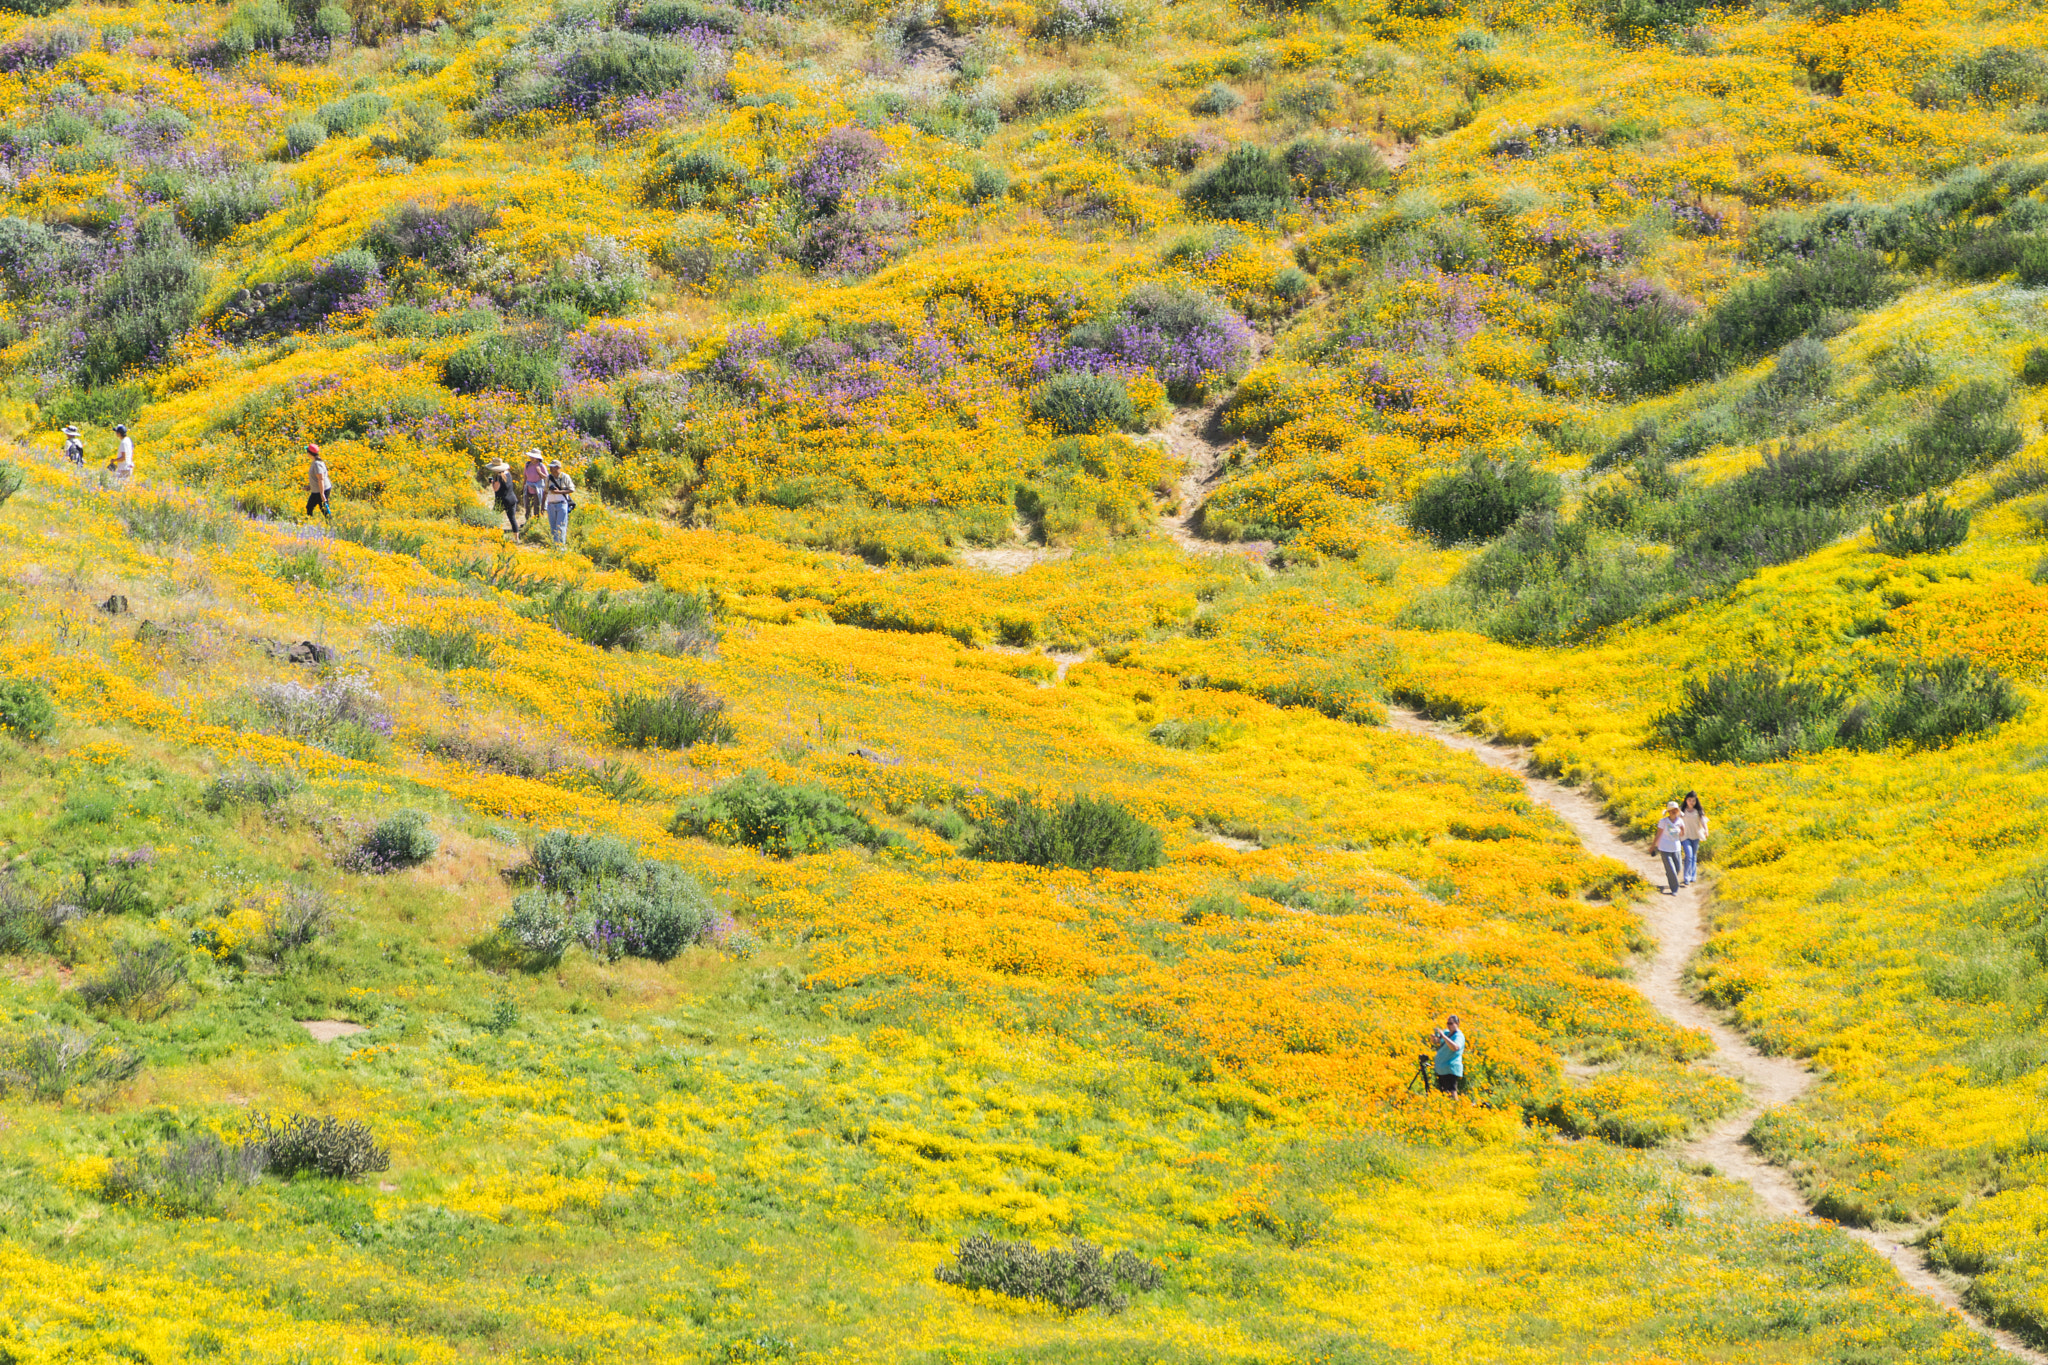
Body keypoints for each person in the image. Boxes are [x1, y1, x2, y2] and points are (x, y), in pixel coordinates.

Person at [542, 457, 575, 548]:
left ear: (558, 468)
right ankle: (555, 546)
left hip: (562, 504)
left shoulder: (565, 477)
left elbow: (572, 489)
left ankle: (560, 548)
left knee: (560, 527)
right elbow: (545, 492)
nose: (551, 469)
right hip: (551, 504)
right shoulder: (548, 478)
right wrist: (542, 506)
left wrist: (559, 492)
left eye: (553, 467)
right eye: (551, 467)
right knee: (553, 527)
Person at [1655, 800, 1686, 895]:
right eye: (1671, 810)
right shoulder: (1663, 821)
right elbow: (1658, 834)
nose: (1673, 811)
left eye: (1675, 810)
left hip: (1676, 848)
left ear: (1677, 811)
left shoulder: (1680, 821)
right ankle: (1674, 889)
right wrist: (1653, 846)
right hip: (1664, 848)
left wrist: (1680, 832)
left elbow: (1683, 832)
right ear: (1668, 811)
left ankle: (1670, 876)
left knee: (1678, 868)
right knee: (1672, 869)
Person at [1430, 1015, 1466, 1095]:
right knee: (1444, 1092)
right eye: (1448, 1023)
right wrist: (1433, 1039)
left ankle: (1455, 1106)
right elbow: (1438, 1041)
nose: (1449, 1025)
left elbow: (1455, 1047)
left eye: (1451, 1023)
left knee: (1452, 1091)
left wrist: (1444, 1037)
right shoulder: (1446, 1032)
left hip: (1451, 1068)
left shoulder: (1459, 1036)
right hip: (1442, 1067)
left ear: (1457, 1024)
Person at [1679, 792, 1708, 887]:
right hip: (1685, 836)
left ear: (1696, 801)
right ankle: (1686, 877)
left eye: (1693, 801)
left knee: (1694, 856)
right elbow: (1677, 821)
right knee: (1689, 855)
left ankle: (1693, 876)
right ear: (1686, 800)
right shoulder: (1682, 810)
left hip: (1695, 836)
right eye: (1689, 800)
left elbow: (1703, 821)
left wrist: (1706, 830)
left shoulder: (1698, 811)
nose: (1691, 802)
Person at [484, 459, 520, 535]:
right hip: (512, 498)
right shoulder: (508, 473)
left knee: (493, 517)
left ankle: (492, 533)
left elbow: (495, 488)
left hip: (502, 500)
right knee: (512, 519)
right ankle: (517, 538)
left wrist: (492, 482)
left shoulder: (499, 477)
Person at [304, 444, 332, 520]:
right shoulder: (315, 462)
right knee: (309, 507)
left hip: (321, 490)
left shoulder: (317, 464)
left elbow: (321, 479)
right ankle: (309, 524)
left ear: (309, 453)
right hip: (317, 490)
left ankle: (331, 525)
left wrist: (322, 494)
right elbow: (317, 479)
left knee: (323, 508)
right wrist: (310, 487)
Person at [521, 450, 546, 522]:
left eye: (533, 457)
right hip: (528, 488)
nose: (531, 458)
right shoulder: (527, 464)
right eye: (531, 456)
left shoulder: (541, 466)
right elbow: (525, 476)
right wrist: (523, 486)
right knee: (527, 506)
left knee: (536, 507)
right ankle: (527, 521)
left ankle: (535, 522)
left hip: (537, 490)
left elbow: (546, 477)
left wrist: (539, 472)